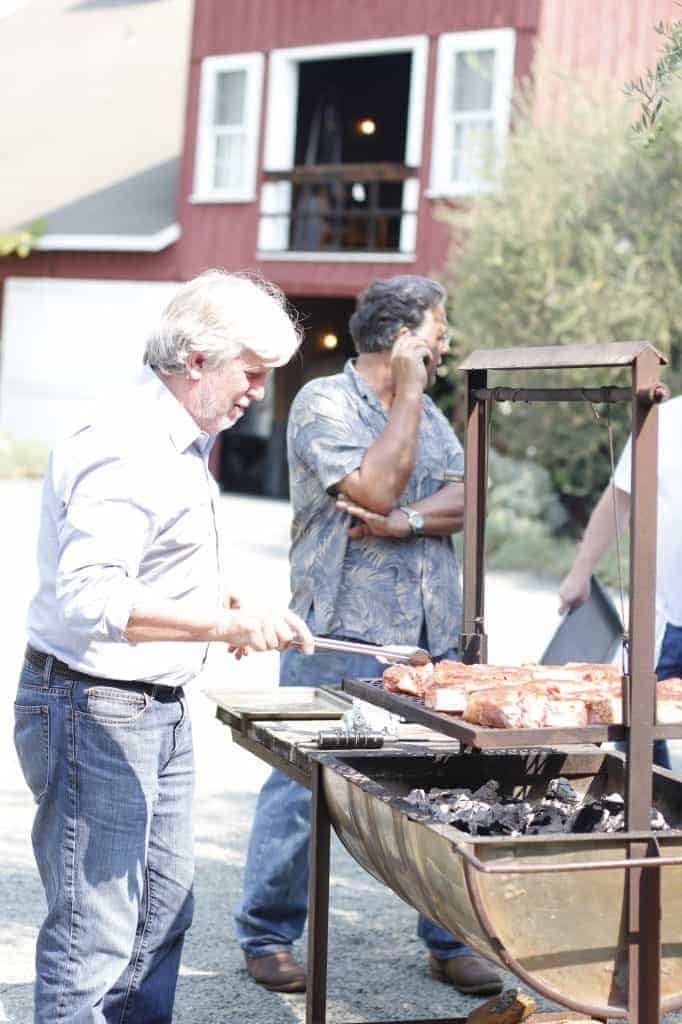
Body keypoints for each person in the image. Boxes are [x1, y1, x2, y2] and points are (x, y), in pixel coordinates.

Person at [13, 270, 314, 1024]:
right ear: (197, 359)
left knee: (163, 913)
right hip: (94, 706)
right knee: (98, 931)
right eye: (252, 372)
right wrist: (222, 627)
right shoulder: (124, 443)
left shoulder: (181, 439)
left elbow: (156, 560)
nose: (257, 391)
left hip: (151, 704)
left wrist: (229, 597)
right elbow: (91, 598)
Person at [235, 275, 503, 997]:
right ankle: (267, 932)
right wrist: (409, 400)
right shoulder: (325, 403)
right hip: (342, 638)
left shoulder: (432, 419)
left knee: (446, 786)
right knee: (304, 784)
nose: (445, 344)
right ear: (403, 339)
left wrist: (409, 521)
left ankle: (448, 938)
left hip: (428, 639)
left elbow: (469, 491)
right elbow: (377, 486)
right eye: (437, 331)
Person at [558, 394, 682, 769]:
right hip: (669, 619)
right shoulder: (662, 421)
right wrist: (580, 573)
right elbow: (619, 500)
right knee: (634, 721)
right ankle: (655, 816)